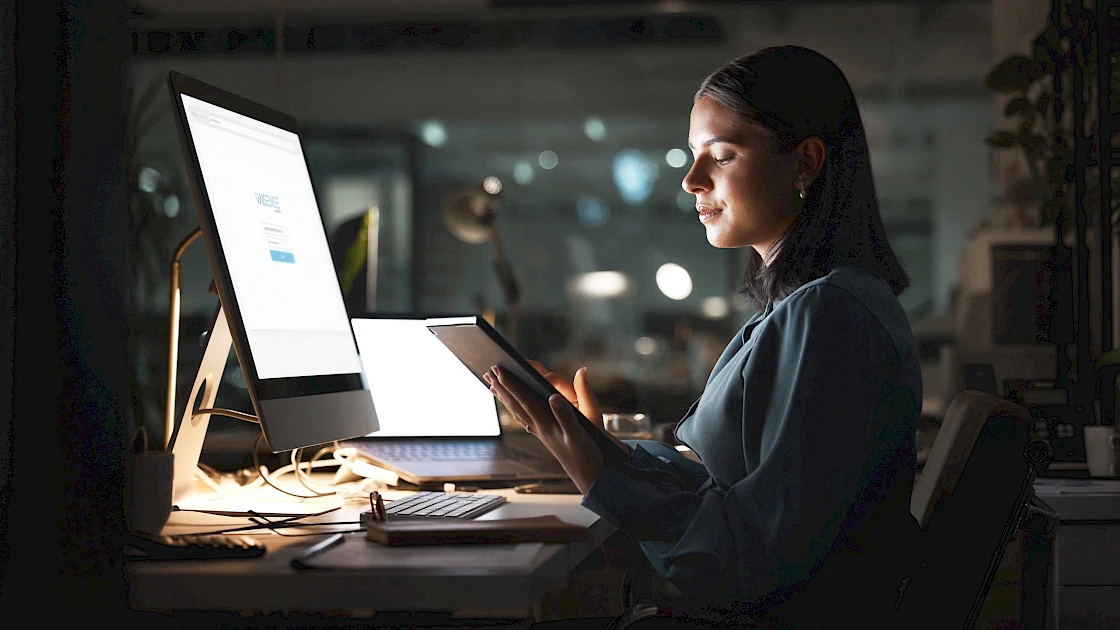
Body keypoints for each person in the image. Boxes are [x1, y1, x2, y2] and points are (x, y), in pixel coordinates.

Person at [483, 45, 923, 629]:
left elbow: (750, 561)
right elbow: (731, 488)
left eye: (721, 156)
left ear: (806, 163)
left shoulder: (829, 314)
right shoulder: (808, 305)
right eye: (694, 156)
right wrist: (611, 455)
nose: (692, 181)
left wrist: (603, 477)